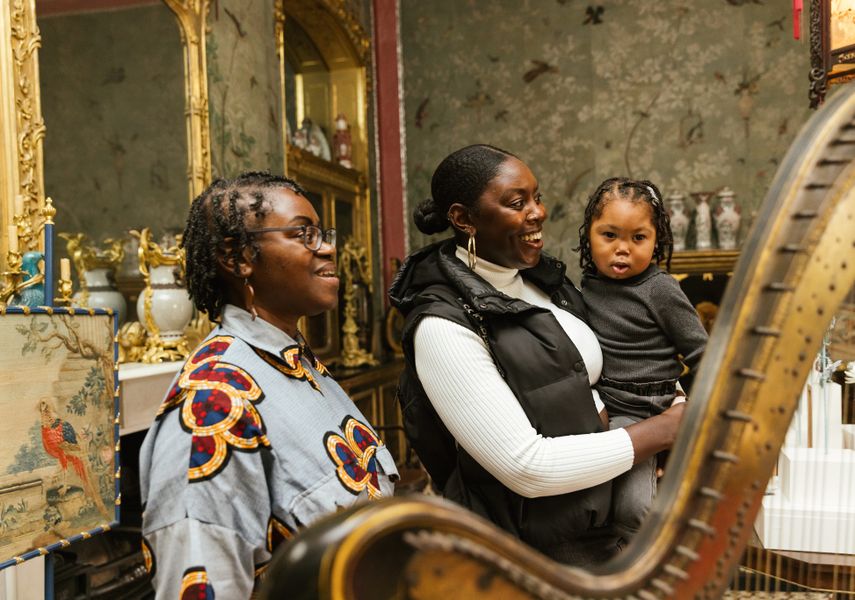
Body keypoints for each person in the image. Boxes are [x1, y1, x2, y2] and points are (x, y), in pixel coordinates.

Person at [388, 144, 685, 566]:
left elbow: (628, 357)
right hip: (534, 557)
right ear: (462, 218)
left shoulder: (546, 282)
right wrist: (666, 430)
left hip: (605, 529)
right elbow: (528, 467)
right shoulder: (442, 326)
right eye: (516, 202)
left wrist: (674, 400)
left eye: (537, 197)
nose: (538, 212)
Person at [139, 171, 398, 598]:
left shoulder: (295, 363)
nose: (329, 247)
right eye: (304, 234)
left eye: (323, 233)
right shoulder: (215, 403)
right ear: (238, 257)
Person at [576, 177, 708, 544]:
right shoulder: (587, 286)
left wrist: (693, 412)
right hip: (605, 408)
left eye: (638, 238)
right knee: (589, 503)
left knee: (634, 509)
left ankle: (647, 568)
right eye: (609, 235)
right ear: (589, 235)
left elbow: (703, 353)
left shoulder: (660, 289)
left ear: (656, 241)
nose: (623, 250)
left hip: (650, 408)